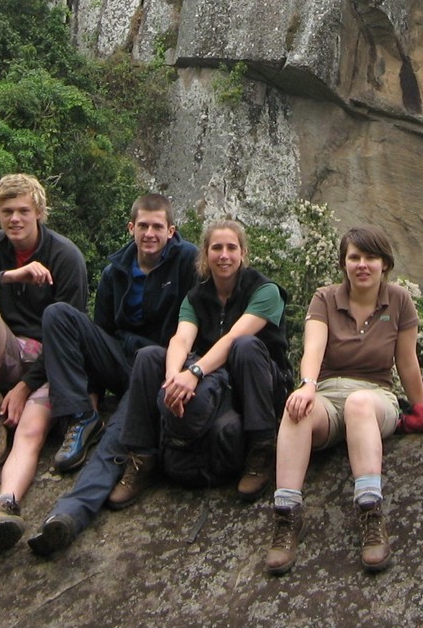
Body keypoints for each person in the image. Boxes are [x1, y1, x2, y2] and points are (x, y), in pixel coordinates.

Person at [47, 220, 289, 542]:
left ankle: (261, 448)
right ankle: (142, 457)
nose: (224, 255)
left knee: (244, 346)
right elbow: (180, 339)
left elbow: (233, 338)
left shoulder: (265, 291)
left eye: (231, 247)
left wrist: (195, 373)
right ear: (205, 254)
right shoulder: (197, 296)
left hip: (260, 384)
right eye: (216, 247)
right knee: (149, 356)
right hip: (222, 384)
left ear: (243, 253)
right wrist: (174, 376)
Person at [14, 194, 199, 558]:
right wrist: (91, 394)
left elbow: (195, 324)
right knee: (59, 315)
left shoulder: (187, 263)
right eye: (142, 226)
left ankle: (68, 515)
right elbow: (100, 334)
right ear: (131, 228)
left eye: (157, 227)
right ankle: (82, 417)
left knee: (117, 442)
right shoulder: (116, 269)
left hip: (158, 369)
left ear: (171, 231)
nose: (149, 233)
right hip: (119, 358)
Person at [263, 224, 423, 575]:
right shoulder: (325, 298)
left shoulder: (398, 300)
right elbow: (313, 348)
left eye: (371, 257)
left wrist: (422, 412)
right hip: (327, 394)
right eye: (354, 257)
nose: (362, 265)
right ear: (343, 263)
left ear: (385, 264)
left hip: (375, 397)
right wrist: (306, 385)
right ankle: (287, 516)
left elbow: (408, 363)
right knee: (296, 411)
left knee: (359, 404)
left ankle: (370, 512)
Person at [0, 174, 88, 554]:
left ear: (40, 213)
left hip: (51, 362)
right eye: (7, 211)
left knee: (31, 429)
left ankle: (3, 506)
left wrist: (23, 386)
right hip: (10, 348)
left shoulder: (65, 256)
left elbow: (69, 335)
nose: (15, 219)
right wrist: (11, 276)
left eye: (23, 211)